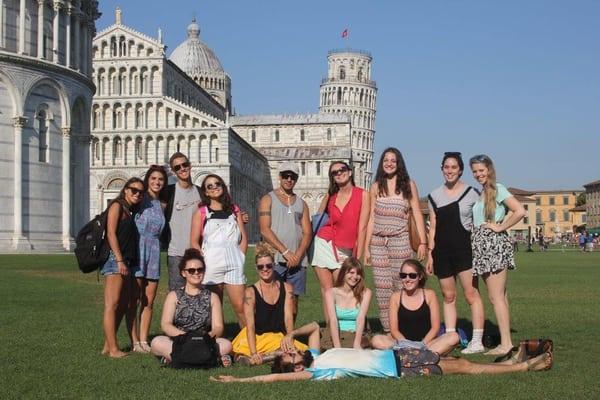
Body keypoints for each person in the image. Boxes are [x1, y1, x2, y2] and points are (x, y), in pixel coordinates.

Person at [210, 344, 552, 382]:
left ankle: (514, 361)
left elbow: (312, 329)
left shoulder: (320, 353)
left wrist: (273, 352)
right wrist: (243, 382)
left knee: (457, 359)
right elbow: (278, 380)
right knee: (461, 367)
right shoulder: (318, 371)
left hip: (399, 354)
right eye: (291, 355)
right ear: (297, 368)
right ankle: (522, 367)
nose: (293, 350)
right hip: (399, 369)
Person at [425, 152, 485, 354]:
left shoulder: (472, 193)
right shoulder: (433, 196)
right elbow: (432, 226)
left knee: (471, 294)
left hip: (464, 251)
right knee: (448, 296)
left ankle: (477, 340)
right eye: (446, 167)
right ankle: (450, 338)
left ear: (460, 170)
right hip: (442, 252)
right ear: (442, 169)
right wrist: (430, 253)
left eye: (454, 167)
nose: (449, 171)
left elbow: (480, 222)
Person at [365, 147, 427, 332]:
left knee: (402, 283)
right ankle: (388, 330)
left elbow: (416, 212)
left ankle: (406, 327)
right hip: (378, 243)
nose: (389, 163)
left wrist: (423, 242)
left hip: (400, 239)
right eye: (386, 160)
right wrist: (367, 248)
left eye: (393, 160)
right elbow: (371, 218)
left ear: (398, 163)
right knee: (382, 288)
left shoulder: (408, 185)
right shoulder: (376, 186)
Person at [469, 154, 526, 356]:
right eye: (475, 171)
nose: (478, 174)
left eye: (481, 170)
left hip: (492, 245)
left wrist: (500, 227)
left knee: (496, 297)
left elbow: (519, 211)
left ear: (489, 170)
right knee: (500, 296)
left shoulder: (498, 189)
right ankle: (505, 340)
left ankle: (506, 343)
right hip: (482, 246)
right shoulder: (482, 192)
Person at [231, 243, 314, 364]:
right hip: (258, 337)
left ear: (274, 265)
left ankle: (270, 356)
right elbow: (250, 326)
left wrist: (289, 339)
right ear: (256, 268)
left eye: (268, 266)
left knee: (305, 352)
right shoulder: (250, 292)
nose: (265, 269)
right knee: (248, 349)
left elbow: (288, 318)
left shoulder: (287, 288)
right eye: (261, 267)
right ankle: (264, 356)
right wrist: (254, 353)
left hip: (277, 337)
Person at [150, 248, 232, 366]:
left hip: (204, 340)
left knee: (226, 344)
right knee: (157, 342)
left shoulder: (212, 297)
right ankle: (209, 359)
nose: (196, 273)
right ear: (183, 273)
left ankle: (177, 358)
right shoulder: (173, 296)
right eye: (191, 270)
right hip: (180, 340)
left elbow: (218, 327)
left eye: (200, 269)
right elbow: (166, 324)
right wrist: (185, 337)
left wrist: (204, 338)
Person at [312, 161, 370, 323]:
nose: (338, 173)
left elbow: (363, 227)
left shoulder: (363, 195)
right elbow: (318, 219)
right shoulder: (331, 196)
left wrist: (358, 256)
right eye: (334, 173)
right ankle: (331, 329)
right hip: (324, 244)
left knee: (347, 287)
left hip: (346, 249)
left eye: (341, 170)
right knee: (327, 290)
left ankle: (352, 326)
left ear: (350, 172)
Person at [190, 174, 248, 326]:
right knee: (214, 308)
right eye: (209, 186)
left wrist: (241, 256)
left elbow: (243, 237)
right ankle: (216, 342)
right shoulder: (202, 212)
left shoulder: (234, 210)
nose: (214, 187)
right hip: (211, 262)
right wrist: (203, 259)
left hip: (234, 260)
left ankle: (249, 341)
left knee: (241, 306)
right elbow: (194, 241)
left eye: (217, 184)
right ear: (206, 192)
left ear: (223, 187)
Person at [371, 260, 459, 356]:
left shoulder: (430, 295)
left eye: (412, 275)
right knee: (376, 340)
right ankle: (421, 356)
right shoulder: (395, 297)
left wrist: (422, 344)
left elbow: (435, 328)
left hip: (427, 344)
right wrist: (405, 343)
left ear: (420, 276)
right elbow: (394, 330)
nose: (407, 279)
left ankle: (412, 356)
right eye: (403, 275)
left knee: (453, 337)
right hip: (402, 344)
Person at [258, 162, 312, 319]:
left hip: (297, 261)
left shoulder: (302, 203)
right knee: (272, 298)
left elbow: (307, 233)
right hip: (274, 259)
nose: (289, 179)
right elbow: (265, 230)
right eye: (286, 176)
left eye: (293, 176)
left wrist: (298, 255)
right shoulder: (268, 199)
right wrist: (286, 252)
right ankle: (272, 336)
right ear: (279, 176)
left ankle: (289, 335)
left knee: (293, 300)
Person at [100, 178, 144, 358]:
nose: (137, 194)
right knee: (112, 304)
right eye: (133, 190)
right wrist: (118, 260)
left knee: (122, 304)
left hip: (126, 261)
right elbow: (110, 233)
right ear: (125, 190)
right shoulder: (117, 206)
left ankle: (107, 345)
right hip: (115, 260)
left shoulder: (129, 210)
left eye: (140, 192)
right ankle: (113, 349)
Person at [128, 165, 167, 354]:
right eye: (153, 178)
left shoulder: (162, 204)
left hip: (153, 250)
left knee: (148, 300)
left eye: (160, 179)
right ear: (147, 180)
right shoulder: (139, 199)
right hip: (137, 248)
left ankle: (144, 340)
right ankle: (134, 340)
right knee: (135, 298)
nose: (157, 182)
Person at [162, 152, 202, 291]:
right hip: (176, 253)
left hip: (197, 252)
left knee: (198, 294)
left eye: (185, 165)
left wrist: (238, 215)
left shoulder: (201, 192)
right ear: (174, 171)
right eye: (177, 167)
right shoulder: (169, 192)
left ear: (190, 165)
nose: (182, 169)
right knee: (176, 296)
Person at [322, 257, 372, 349]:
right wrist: (337, 347)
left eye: (358, 274)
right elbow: (333, 320)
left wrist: (357, 344)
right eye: (351, 273)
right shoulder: (331, 293)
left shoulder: (365, 293)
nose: (355, 277)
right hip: (337, 334)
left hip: (356, 334)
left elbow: (360, 319)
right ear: (344, 273)